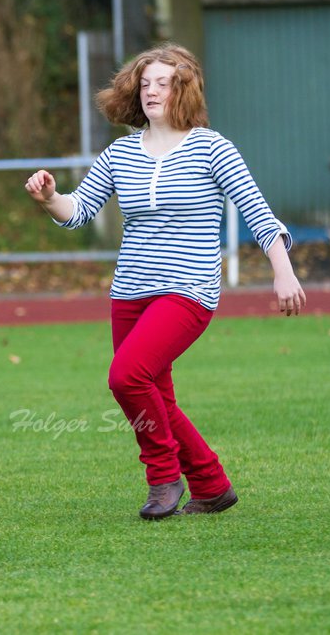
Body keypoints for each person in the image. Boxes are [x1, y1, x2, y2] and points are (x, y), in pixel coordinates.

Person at [24, 42, 306, 520]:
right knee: (158, 396)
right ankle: (212, 485)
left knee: (125, 375)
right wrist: (51, 197)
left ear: (184, 91)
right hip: (129, 293)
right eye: (145, 82)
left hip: (188, 290)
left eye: (163, 82)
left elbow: (258, 213)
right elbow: (79, 212)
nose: (151, 90)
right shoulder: (120, 152)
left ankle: (162, 477)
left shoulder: (213, 148)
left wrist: (283, 270)